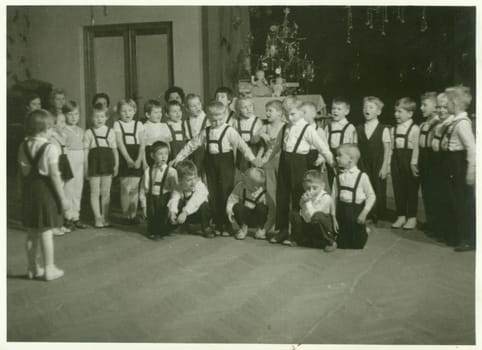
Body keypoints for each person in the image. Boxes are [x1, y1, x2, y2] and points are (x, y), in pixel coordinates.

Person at [171, 100, 259, 237]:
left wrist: (253, 159)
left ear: (224, 115)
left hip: (226, 164)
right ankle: (218, 223)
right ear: (208, 117)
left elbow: (243, 146)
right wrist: (179, 157)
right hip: (210, 163)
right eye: (213, 120)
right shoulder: (205, 132)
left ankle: (227, 224)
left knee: (225, 192)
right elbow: (192, 145)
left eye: (219, 120)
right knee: (213, 193)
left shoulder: (229, 131)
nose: (216, 123)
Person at [259, 100, 334, 245]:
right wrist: (265, 159)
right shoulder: (285, 127)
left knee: (297, 196)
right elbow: (276, 147)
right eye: (286, 114)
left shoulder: (308, 129)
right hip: (284, 163)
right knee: (282, 195)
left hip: (299, 163)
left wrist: (332, 162)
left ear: (302, 112)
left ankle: (296, 233)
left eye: (292, 114)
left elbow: (322, 147)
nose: (289, 117)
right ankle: (282, 230)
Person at [17, 109, 68, 281]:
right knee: (46, 232)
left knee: (31, 232)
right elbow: (54, 175)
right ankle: (49, 268)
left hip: (29, 191)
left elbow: (23, 172)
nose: (53, 131)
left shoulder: (22, 146)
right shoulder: (50, 148)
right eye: (52, 128)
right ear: (44, 129)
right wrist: (62, 198)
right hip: (45, 191)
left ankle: (32, 268)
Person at [443, 86, 476, 252]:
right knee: (454, 199)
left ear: (454, 102)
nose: (445, 104)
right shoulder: (454, 120)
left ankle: (467, 238)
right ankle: (457, 234)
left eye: (447, 101)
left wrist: (471, 170)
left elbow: (472, 147)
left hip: (459, 163)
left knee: (462, 201)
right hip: (452, 162)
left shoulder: (462, 123)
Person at [332, 144, 375, 249]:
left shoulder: (362, 177)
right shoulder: (338, 177)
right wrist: (333, 217)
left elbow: (371, 196)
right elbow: (333, 198)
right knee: (342, 244)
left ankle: (364, 231)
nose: (336, 158)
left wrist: (364, 212)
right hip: (342, 213)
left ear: (350, 159)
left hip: (356, 213)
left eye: (339, 155)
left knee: (357, 245)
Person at [356, 96, 391, 224]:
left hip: (378, 162)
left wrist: (385, 166)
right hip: (363, 163)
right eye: (365, 107)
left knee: (378, 187)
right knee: (365, 186)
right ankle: (368, 213)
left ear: (378, 112)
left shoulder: (383, 129)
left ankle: (380, 214)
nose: (367, 109)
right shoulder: (359, 128)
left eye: (371, 107)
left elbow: (387, 149)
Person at [84, 104, 118, 228]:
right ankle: (97, 217)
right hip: (94, 164)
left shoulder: (111, 132)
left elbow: (114, 150)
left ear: (106, 118)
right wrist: (86, 167)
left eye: (102, 116)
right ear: (91, 118)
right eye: (96, 116)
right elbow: (85, 151)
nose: (99, 119)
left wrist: (116, 165)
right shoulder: (89, 132)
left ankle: (105, 216)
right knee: (94, 192)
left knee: (106, 192)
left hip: (107, 163)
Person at [113, 99, 145, 224]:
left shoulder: (139, 125)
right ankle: (126, 215)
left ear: (135, 111)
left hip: (137, 154)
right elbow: (120, 143)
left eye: (130, 110)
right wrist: (128, 159)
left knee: (135, 188)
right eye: (124, 111)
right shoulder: (117, 124)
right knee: (125, 187)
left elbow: (142, 144)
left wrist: (138, 160)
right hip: (124, 156)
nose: (127, 114)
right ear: (119, 113)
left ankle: (133, 214)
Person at [390, 97, 420, 230]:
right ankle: (401, 215)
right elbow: (391, 148)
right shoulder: (393, 130)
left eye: (400, 112)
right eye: (395, 111)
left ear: (410, 113)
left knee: (411, 189)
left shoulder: (415, 129)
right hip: (396, 161)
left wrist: (413, 163)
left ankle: (412, 217)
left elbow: (416, 149)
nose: (396, 114)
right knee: (398, 188)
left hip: (409, 161)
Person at [290, 170, 337, 251]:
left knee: (318, 216)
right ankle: (301, 238)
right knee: (294, 214)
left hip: (322, 225)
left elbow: (314, 216)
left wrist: (307, 202)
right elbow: (304, 213)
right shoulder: (306, 196)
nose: (311, 190)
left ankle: (330, 242)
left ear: (322, 186)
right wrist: (303, 202)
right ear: (304, 186)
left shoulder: (326, 198)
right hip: (310, 222)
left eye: (315, 188)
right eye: (308, 188)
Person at [140, 141, 178, 240]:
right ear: (152, 155)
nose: (163, 156)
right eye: (160, 154)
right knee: (152, 216)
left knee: (163, 218)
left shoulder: (172, 171)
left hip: (164, 199)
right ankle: (153, 230)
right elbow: (143, 189)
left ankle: (164, 228)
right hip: (152, 198)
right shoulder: (148, 171)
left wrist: (172, 208)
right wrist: (144, 206)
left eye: (166, 153)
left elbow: (175, 191)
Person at [259, 100, 286, 235]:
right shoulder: (265, 127)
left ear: (280, 113)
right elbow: (255, 138)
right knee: (270, 192)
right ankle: (270, 221)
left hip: (282, 161)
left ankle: (283, 225)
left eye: (270, 111)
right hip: (268, 162)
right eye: (267, 110)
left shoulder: (285, 126)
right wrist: (261, 135)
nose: (267, 113)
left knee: (282, 193)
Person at [430, 92, 454, 243]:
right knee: (440, 197)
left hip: (448, 163)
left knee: (449, 199)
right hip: (438, 163)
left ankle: (450, 233)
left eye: (445, 107)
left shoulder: (451, 123)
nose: (441, 110)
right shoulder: (438, 123)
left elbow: (443, 146)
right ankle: (442, 230)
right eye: (438, 107)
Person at [60, 101, 87, 230]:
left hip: (80, 161)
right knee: (68, 189)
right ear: (64, 115)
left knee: (78, 188)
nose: (74, 117)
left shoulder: (81, 130)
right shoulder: (63, 130)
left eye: (76, 114)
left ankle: (76, 216)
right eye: (70, 114)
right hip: (69, 159)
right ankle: (68, 217)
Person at [167, 160, 212, 237]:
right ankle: (179, 224)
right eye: (189, 180)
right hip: (186, 216)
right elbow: (174, 199)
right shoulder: (178, 187)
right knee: (175, 203)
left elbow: (196, 200)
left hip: (197, 214)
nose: (193, 182)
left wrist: (185, 212)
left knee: (204, 205)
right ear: (180, 180)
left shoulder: (200, 186)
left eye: (194, 178)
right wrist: (172, 212)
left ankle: (206, 227)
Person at [416, 92, 439, 236]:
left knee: (434, 194)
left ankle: (437, 225)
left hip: (433, 162)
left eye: (425, 105)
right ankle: (431, 222)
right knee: (426, 194)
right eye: (421, 104)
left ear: (435, 106)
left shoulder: (438, 124)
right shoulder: (423, 124)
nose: (421, 108)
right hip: (424, 160)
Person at [227, 167, 270, 240]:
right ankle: (243, 228)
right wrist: (229, 211)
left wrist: (266, 228)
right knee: (237, 207)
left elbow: (271, 212)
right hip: (245, 216)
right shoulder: (240, 186)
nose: (256, 187)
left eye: (258, 185)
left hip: (257, 218)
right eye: (253, 185)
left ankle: (260, 229)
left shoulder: (263, 191)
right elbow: (232, 200)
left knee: (263, 208)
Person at [324, 97, 357, 187]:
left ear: (346, 112)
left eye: (339, 109)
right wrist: (327, 160)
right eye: (333, 108)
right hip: (331, 159)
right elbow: (325, 145)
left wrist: (351, 162)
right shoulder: (328, 127)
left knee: (346, 184)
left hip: (345, 159)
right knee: (333, 183)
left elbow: (354, 146)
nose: (335, 111)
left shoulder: (350, 127)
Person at [234, 97, 263, 171]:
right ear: (239, 110)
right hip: (240, 152)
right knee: (242, 173)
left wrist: (258, 157)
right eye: (244, 107)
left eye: (250, 106)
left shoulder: (257, 121)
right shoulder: (236, 121)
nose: (248, 109)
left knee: (253, 174)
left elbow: (261, 143)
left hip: (254, 150)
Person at [184, 94, 209, 177]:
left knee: (206, 175)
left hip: (206, 152)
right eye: (193, 106)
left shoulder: (208, 119)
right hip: (193, 154)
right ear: (187, 109)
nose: (197, 107)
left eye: (198, 104)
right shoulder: (186, 122)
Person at [143, 99, 172, 167]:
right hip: (150, 154)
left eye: (160, 112)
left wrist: (168, 154)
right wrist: (144, 162)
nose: (159, 115)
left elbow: (168, 143)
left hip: (163, 153)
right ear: (147, 115)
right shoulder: (144, 127)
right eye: (156, 112)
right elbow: (143, 147)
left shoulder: (164, 125)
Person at [302, 101, 327, 171]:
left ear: (313, 114)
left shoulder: (319, 131)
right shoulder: (300, 129)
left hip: (314, 157)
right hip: (302, 158)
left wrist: (320, 159)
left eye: (304, 112)